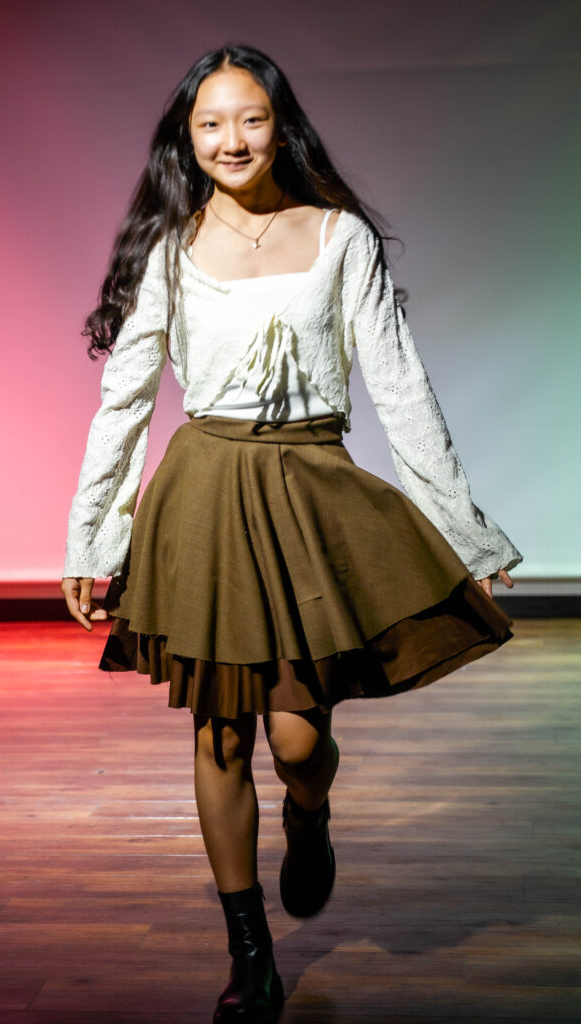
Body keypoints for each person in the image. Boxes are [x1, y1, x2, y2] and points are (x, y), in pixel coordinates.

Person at [61, 44, 523, 1024]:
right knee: (220, 730)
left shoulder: (338, 237)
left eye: (250, 119)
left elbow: (398, 384)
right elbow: (124, 400)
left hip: (308, 486)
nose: (230, 140)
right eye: (210, 123)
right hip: (205, 492)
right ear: (186, 139)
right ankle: (250, 956)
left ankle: (307, 813)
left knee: (298, 738)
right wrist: (90, 538)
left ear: (281, 127)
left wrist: (464, 531)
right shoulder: (169, 248)